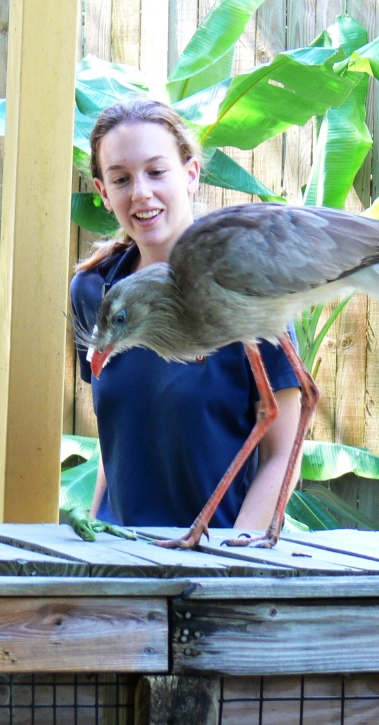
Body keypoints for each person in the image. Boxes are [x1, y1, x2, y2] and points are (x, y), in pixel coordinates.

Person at [69, 98, 303, 534]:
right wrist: (100, 534)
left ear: (190, 174)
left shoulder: (248, 287)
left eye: (156, 172)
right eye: (121, 179)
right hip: (118, 559)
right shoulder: (93, 291)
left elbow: (283, 451)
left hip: (217, 562)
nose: (141, 192)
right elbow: (118, 440)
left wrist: (231, 562)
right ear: (104, 193)